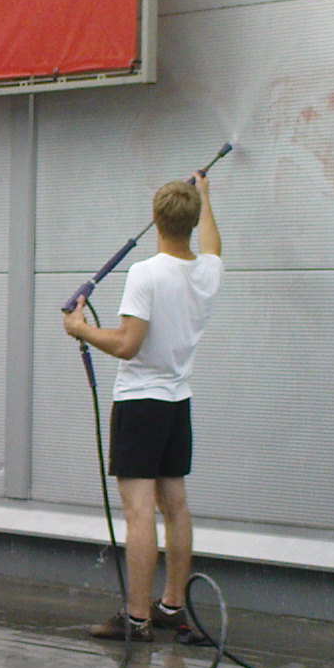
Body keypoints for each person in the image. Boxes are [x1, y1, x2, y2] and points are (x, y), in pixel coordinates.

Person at [61, 170, 223, 641]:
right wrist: (206, 197)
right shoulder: (208, 271)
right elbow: (212, 244)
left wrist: (81, 330)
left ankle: (137, 619)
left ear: (155, 220)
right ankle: (172, 608)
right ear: (191, 222)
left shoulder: (145, 274)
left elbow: (129, 344)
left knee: (138, 513)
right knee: (176, 507)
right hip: (176, 402)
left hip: (139, 403)